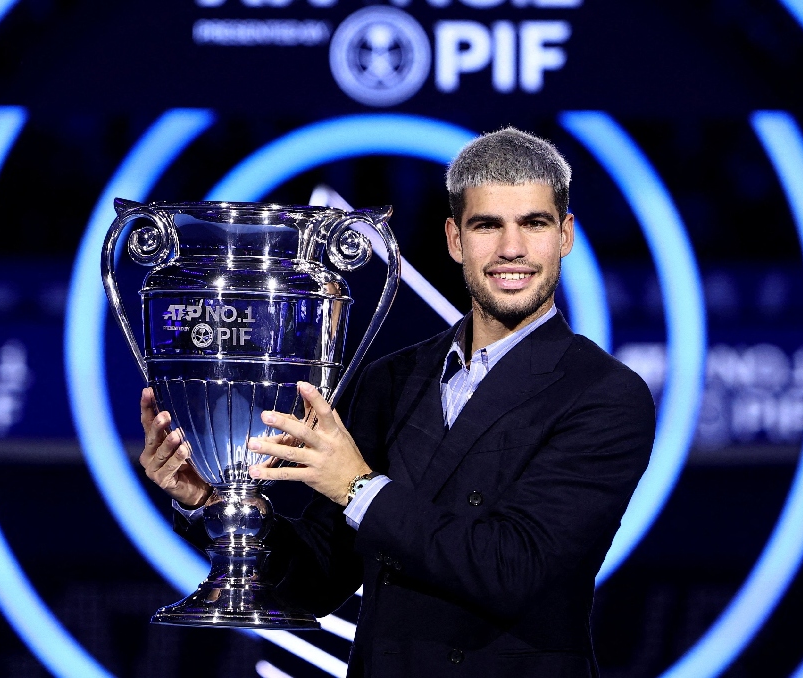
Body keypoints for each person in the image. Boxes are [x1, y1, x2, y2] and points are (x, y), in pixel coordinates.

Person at [139, 127, 655, 677]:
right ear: (455, 239)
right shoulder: (391, 380)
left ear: (566, 235)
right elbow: (314, 583)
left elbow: (514, 571)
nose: (512, 249)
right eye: (488, 225)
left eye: (534, 223)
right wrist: (209, 502)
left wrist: (359, 488)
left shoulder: (604, 395)